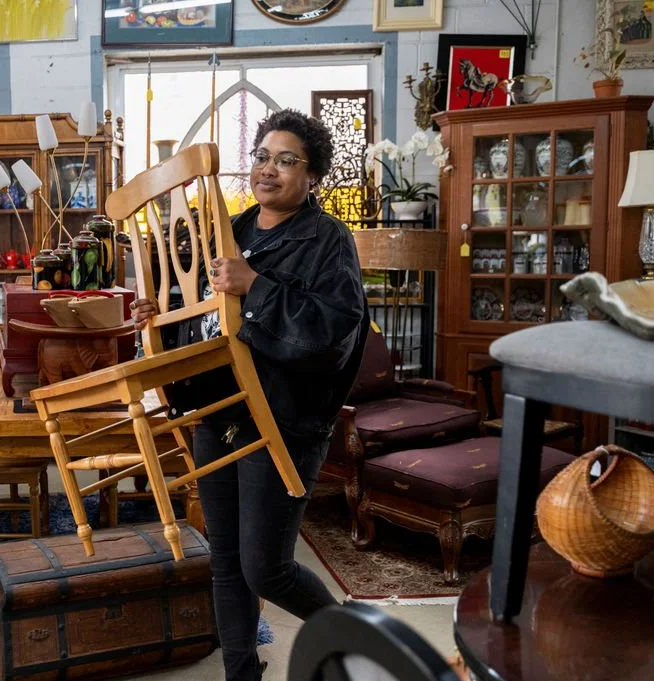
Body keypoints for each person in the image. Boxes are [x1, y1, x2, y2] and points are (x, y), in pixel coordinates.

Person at [130, 109, 369, 681]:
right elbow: (202, 319)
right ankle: (241, 674)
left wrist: (257, 286)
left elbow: (333, 331)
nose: (269, 169)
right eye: (262, 157)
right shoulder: (228, 231)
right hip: (220, 410)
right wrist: (155, 317)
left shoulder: (327, 239)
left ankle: (357, 641)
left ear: (314, 178)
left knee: (267, 570)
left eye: (287, 160)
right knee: (227, 564)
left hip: (284, 417)